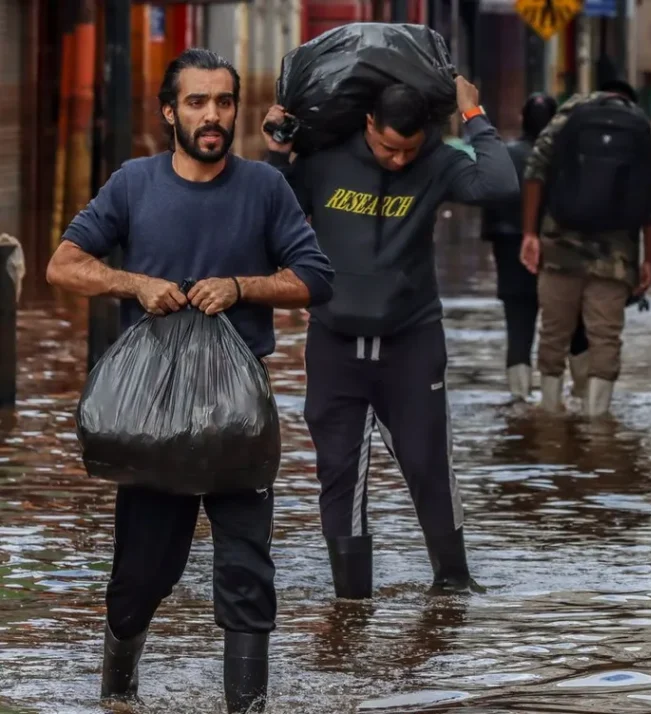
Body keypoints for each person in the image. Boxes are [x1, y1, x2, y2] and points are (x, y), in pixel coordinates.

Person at [45, 49, 335, 712]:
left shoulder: (265, 188)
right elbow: (64, 265)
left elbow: (315, 278)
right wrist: (135, 283)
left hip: (238, 414)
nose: (213, 116)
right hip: (151, 417)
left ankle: (246, 706)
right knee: (142, 575)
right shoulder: (133, 183)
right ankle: (118, 690)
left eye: (224, 102)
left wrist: (241, 287)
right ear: (170, 111)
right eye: (198, 102)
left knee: (246, 571)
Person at [262, 77, 518, 599]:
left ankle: (453, 584)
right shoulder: (326, 158)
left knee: (428, 464)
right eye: (386, 147)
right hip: (334, 341)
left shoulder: (439, 162)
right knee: (340, 472)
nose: (398, 160)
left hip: (412, 340)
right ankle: (351, 602)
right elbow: (270, 210)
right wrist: (277, 151)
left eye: (409, 149)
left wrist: (474, 114)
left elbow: (500, 185)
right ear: (368, 125)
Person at [520, 79, 651, 417]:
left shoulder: (570, 114)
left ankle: (550, 413)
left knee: (553, 333)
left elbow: (534, 171)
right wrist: (648, 261)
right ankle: (598, 424)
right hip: (616, 256)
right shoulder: (642, 127)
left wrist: (530, 234)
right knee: (605, 338)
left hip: (560, 247)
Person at [481, 93, 590, 401]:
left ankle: (519, 399)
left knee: (518, 327)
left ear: (521, 118)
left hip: (509, 248)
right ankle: (581, 396)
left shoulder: (504, 155)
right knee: (574, 326)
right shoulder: (569, 158)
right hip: (560, 251)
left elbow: (489, 202)